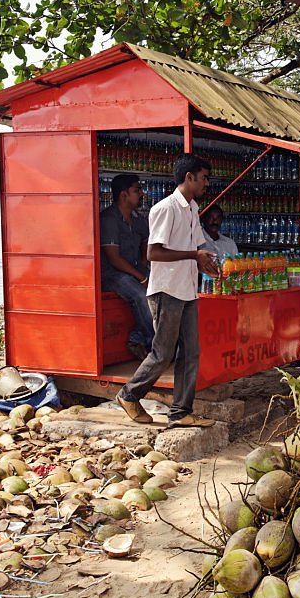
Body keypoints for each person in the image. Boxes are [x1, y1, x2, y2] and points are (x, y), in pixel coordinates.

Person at [116, 154, 220, 428]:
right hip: (166, 290)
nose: (206, 183)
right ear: (189, 178)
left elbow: (197, 247)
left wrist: (206, 264)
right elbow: (154, 253)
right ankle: (129, 394)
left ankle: (180, 411)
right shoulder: (165, 209)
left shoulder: (192, 208)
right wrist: (194, 256)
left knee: (191, 353)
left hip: (187, 289)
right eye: (204, 178)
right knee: (163, 353)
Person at [100, 174, 154, 361]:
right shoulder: (109, 219)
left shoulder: (138, 219)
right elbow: (114, 259)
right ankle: (155, 345)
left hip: (134, 271)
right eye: (137, 190)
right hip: (112, 275)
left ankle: (137, 337)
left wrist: (144, 266)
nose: (141, 193)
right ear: (124, 195)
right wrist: (142, 277)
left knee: (165, 288)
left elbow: (146, 245)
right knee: (140, 294)